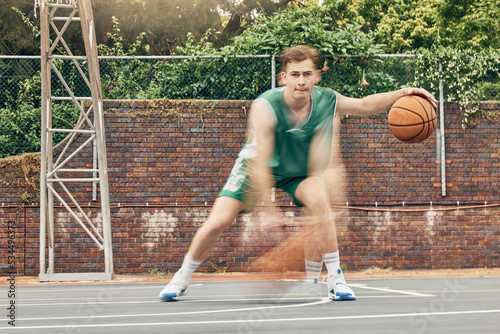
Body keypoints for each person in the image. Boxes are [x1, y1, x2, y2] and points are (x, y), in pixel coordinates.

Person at [159, 45, 437, 302]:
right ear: (283, 78)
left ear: (317, 76)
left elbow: (364, 105)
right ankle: (182, 277)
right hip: (257, 167)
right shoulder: (266, 106)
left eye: (306, 74)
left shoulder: (327, 100)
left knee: (321, 205)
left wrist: (405, 92)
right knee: (217, 222)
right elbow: (262, 163)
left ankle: (336, 279)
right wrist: (268, 209)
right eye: (295, 74)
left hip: (298, 171)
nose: (301, 80)